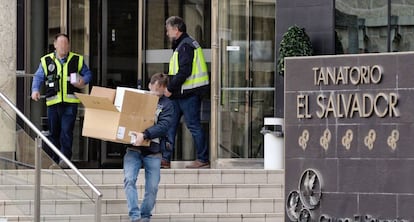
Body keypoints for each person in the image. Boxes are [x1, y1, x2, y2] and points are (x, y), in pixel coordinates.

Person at [31, 33, 92, 168]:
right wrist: (35, 90)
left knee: (66, 131)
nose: (63, 46)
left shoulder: (77, 59)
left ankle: (65, 160)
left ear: (69, 45)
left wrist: (83, 80)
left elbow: (88, 74)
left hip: (70, 103)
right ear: (55, 45)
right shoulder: (46, 60)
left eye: (66, 44)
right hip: (53, 103)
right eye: (61, 44)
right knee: (54, 132)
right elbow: (38, 77)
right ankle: (54, 160)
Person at [123, 73, 174, 222]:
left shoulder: (167, 105)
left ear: (164, 88)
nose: (157, 91)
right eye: (156, 87)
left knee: (152, 188)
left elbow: (163, 126)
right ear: (150, 85)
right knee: (129, 179)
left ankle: (145, 216)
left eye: (161, 88)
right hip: (133, 149)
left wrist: (144, 135)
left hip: (154, 150)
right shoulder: (138, 99)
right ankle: (134, 216)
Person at [163, 16, 210, 169]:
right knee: (170, 125)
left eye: (168, 30)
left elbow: (184, 71)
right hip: (181, 94)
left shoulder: (185, 46)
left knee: (193, 126)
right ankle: (165, 159)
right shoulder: (184, 44)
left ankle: (202, 159)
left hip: (187, 94)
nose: (167, 33)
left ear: (176, 30)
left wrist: (169, 89)